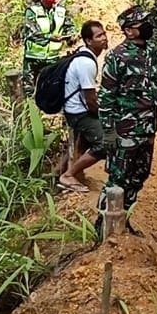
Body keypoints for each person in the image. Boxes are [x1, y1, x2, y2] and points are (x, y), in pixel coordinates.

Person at [96, 5, 157, 236]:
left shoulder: (155, 54)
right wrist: (109, 131)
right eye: (142, 23)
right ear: (129, 31)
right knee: (118, 178)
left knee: (139, 176)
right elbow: (106, 97)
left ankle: (125, 220)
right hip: (124, 132)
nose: (147, 26)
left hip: (147, 129)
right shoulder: (116, 57)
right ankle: (103, 226)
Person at [59, 20, 109, 194]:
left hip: (74, 108)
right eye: (99, 36)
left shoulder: (85, 55)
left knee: (85, 142)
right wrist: (105, 116)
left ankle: (61, 171)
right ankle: (69, 175)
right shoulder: (87, 63)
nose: (104, 38)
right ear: (88, 41)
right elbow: (90, 101)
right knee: (105, 143)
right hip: (78, 113)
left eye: (104, 34)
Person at [21, 0, 76, 98]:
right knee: (29, 92)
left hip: (53, 58)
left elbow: (70, 27)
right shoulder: (33, 11)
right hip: (33, 59)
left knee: (52, 90)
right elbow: (32, 33)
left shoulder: (60, 11)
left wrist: (70, 37)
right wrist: (50, 37)